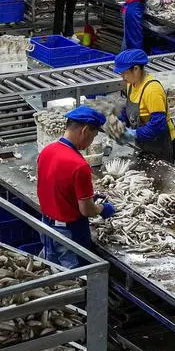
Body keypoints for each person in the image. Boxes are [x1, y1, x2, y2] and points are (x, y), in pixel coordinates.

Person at [36, 106, 115, 269]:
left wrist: (81, 196)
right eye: (93, 136)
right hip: (69, 233)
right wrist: (100, 208)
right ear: (85, 130)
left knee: (50, 271)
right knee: (75, 280)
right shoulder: (79, 166)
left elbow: (54, 187)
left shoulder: (47, 151)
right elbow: (86, 210)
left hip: (46, 226)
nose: (91, 142)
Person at [114, 49, 175, 162]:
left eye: (124, 72)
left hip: (161, 144)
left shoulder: (152, 90)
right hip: (144, 141)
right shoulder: (131, 84)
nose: (122, 77)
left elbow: (158, 124)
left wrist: (133, 134)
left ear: (136, 69)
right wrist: (120, 122)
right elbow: (128, 108)